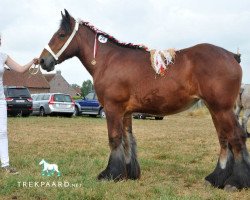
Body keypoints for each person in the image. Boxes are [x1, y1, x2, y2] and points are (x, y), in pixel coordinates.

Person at [0, 34, 38, 174]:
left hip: (1, 100)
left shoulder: (4, 56)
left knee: (3, 132)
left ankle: (5, 165)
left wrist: (32, 61)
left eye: (0, 39)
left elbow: (21, 69)